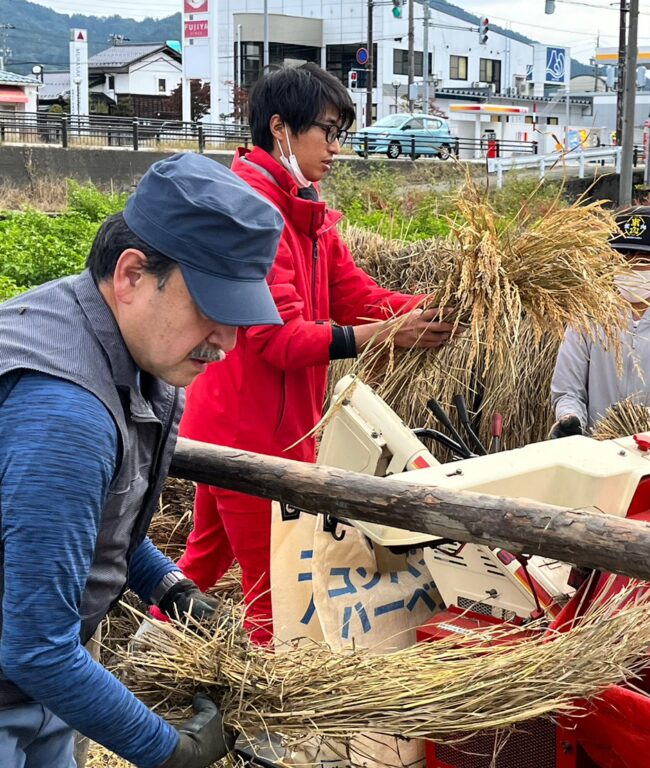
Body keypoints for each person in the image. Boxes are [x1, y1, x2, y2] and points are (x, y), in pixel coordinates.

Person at [0, 152, 285, 767]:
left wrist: (172, 588)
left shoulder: (129, 352)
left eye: (238, 317)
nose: (228, 343)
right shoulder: (65, 412)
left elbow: (102, 523)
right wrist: (169, 750)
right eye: (212, 306)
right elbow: (35, 649)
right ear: (132, 274)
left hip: (38, 691)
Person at [172, 63, 457, 645]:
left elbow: (356, 294)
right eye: (326, 132)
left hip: (247, 426)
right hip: (248, 436)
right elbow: (275, 339)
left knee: (202, 561)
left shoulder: (307, 209)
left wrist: (436, 306)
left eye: (339, 133)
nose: (335, 147)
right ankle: (260, 718)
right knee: (273, 591)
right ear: (280, 128)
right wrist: (382, 336)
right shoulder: (252, 213)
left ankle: (149, 662)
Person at [549, 205, 650, 438]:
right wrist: (571, 420)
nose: (632, 267)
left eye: (645, 260)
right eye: (622, 257)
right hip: (593, 452)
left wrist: (633, 418)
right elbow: (567, 393)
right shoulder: (587, 321)